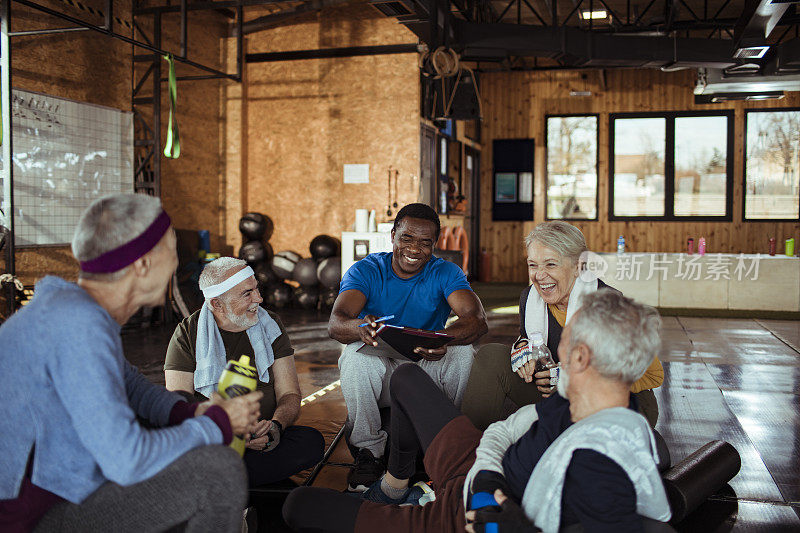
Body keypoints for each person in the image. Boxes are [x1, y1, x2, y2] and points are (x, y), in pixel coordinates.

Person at [282, 290, 672, 532]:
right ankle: (397, 485)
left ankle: (422, 501)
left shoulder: (604, 461)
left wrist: (514, 527)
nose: (556, 347)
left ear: (583, 357)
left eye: (565, 340)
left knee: (300, 505)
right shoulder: (583, 397)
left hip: (458, 516)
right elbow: (505, 432)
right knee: (405, 378)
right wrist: (486, 474)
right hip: (476, 465)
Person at [0, 194, 262, 533]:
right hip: (32, 518)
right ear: (142, 264)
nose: (177, 262)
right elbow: (127, 460)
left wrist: (191, 413)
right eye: (172, 249)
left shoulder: (71, 309)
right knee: (217, 469)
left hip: (58, 490)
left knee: (173, 424)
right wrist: (217, 422)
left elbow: (132, 386)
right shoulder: (78, 327)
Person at [329, 203, 488, 492]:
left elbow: (476, 321)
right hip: (383, 375)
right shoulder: (367, 269)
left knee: (462, 351)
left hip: (424, 369)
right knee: (353, 355)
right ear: (393, 236)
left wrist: (443, 338)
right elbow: (336, 323)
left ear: (435, 244)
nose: (415, 249)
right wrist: (359, 327)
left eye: (425, 242)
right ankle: (369, 452)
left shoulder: (445, 272)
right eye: (406, 238)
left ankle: (443, 445)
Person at [462, 221, 663, 430]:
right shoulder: (530, 299)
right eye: (533, 265)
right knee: (492, 356)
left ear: (578, 267)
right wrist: (523, 353)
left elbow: (654, 374)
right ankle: (465, 447)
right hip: (558, 397)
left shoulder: (609, 306)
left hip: (616, 405)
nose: (539, 275)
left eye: (550, 264)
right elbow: (529, 339)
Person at [164, 256, 324, 487]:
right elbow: (178, 411)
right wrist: (230, 435)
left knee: (311, 442)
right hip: (214, 440)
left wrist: (275, 428)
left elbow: (290, 394)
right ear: (217, 304)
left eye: (256, 289)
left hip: (264, 438)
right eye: (246, 293)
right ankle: (231, 477)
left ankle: (223, 481)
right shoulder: (187, 334)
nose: (259, 299)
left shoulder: (271, 324)